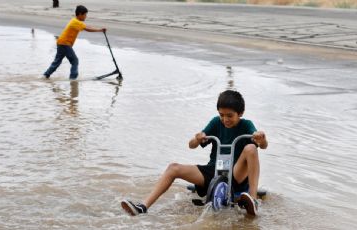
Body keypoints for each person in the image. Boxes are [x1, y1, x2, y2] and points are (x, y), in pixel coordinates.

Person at [121, 90, 268, 216]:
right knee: (173, 168)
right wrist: (197, 139)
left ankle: (253, 199)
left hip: (236, 174)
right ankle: (143, 207)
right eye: (222, 115)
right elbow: (191, 145)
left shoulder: (246, 125)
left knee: (251, 148)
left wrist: (261, 138)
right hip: (215, 171)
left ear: (240, 113)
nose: (225, 119)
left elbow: (263, 145)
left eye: (230, 115)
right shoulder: (216, 122)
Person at [44, 5, 106, 80]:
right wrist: (100, 30)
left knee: (57, 62)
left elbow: (86, 27)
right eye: (85, 15)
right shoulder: (76, 22)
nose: (86, 16)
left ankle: (46, 75)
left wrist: (99, 30)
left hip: (61, 42)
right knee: (74, 61)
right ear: (80, 14)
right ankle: (73, 79)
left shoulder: (75, 21)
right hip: (65, 43)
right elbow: (87, 28)